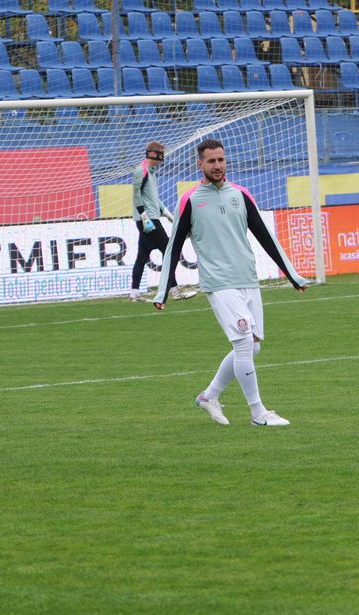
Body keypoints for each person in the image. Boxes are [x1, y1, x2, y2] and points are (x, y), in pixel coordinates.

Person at [154, 138, 307, 427]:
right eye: (211, 161)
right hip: (219, 283)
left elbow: (265, 237)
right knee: (243, 345)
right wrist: (164, 290)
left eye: (221, 160)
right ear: (200, 165)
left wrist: (292, 275)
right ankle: (258, 413)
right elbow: (173, 246)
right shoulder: (190, 200)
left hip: (247, 279)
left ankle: (209, 397)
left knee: (253, 346)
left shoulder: (241, 194)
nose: (217, 165)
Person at [128, 141, 175, 301]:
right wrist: (144, 217)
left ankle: (134, 292)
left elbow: (154, 199)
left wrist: (168, 215)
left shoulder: (151, 172)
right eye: (161, 154)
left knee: (142, 255)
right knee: (168, 249)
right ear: (154, 154)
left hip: (152, 217)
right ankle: (173, 288)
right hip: (148, 219)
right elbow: (136, 196)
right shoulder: (141, 170)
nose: (163, 159)